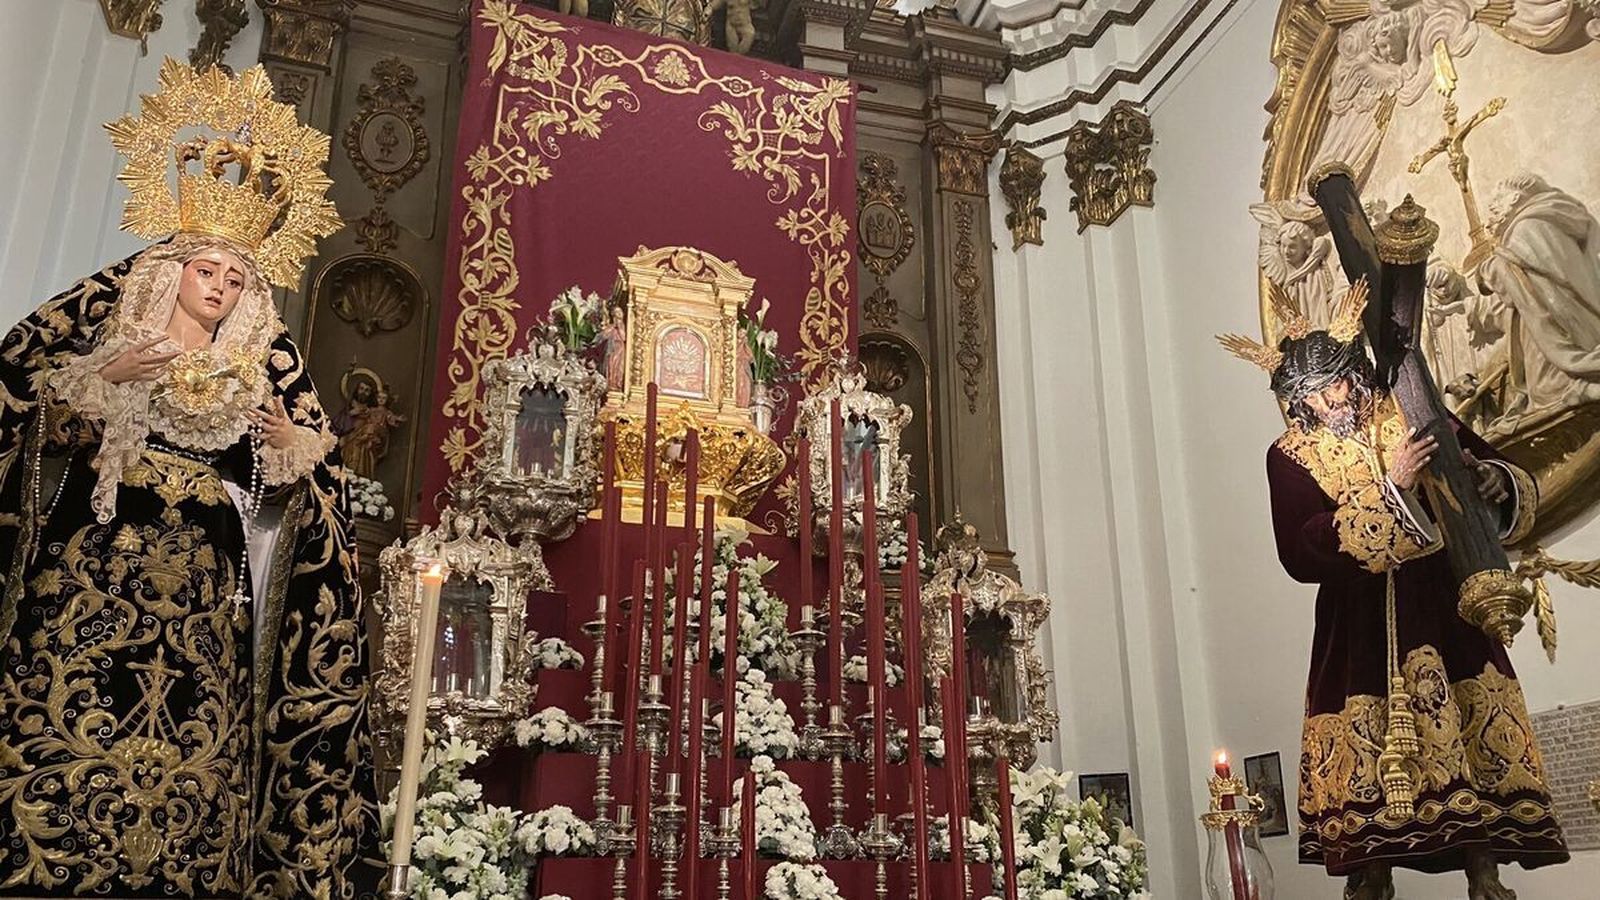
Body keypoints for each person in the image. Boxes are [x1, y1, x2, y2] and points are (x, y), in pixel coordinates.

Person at [0, 60, 381, 897]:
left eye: (238, 279)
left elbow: (305, 506)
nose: (221, 288)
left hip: (207, 589)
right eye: (209, 270)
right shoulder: (109, 339)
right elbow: (23, 408)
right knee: (69, 709)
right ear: (172, 268)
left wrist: (288, 450)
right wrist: (106, 391)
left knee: (195, 740)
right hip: (93, 566)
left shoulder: (258, 372)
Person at [1220, 280, 1568, 900]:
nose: (1336, 400)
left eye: (1342, 384)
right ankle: (1371, 877)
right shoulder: (1290, 456)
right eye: (1318, 395)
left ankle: (1483, 872)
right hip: (1357, 621)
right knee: (1370, 761)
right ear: (1298, 403)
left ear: (1356, 372)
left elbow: (1482, 462)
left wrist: (1490, 480)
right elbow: (1299, 548)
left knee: (1469, 730)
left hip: (1441, 603)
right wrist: (1392, 489)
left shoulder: (1407, 406)